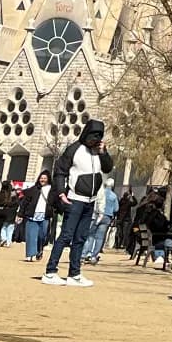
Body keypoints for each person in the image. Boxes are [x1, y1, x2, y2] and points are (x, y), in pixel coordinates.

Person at [42, 119, 113, 286]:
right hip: (74, 199)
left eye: (99, 136)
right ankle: (50, 271)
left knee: (81, 237)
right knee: (66, 235)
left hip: (91, 201)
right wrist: (61, 193)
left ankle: (74, 273)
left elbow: (108, 168)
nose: (95, 139)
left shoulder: (98, 152)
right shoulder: (74, 149)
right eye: (93, 135)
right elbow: (60, 171)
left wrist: (104, 153)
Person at [17, 172, 53, 262]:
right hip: (32, 215)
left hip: (45, 216)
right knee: (31, 235)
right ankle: (30, 254)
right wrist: (20, 214)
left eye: (45, 178)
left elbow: (56, 202)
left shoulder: (52, 190)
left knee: (42, 235)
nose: (43, 180)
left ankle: (39, 249)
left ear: (48, 179)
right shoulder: (33, 189)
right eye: (41, 178)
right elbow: (24, 202)